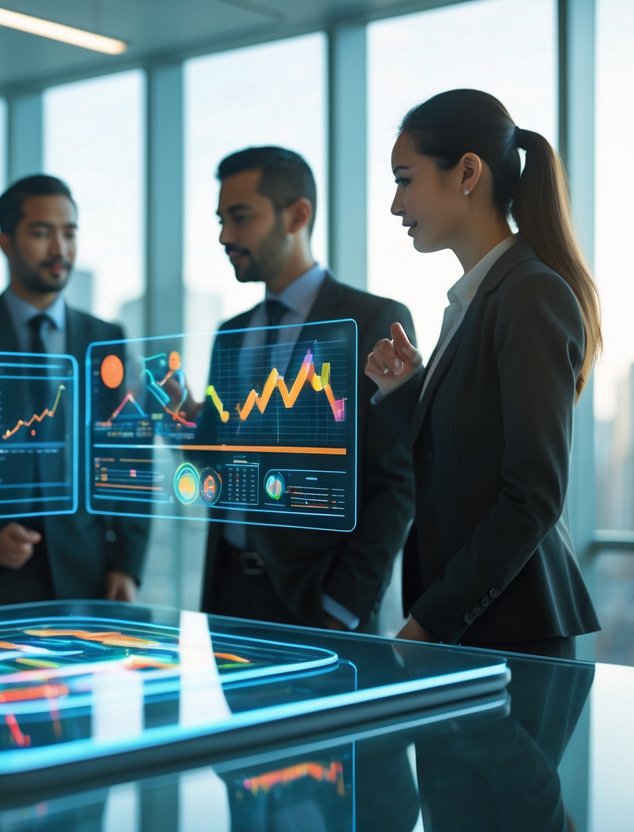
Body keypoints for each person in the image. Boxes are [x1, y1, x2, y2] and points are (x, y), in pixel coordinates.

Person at [365, 89, 601, 658]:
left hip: (513, 633)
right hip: (481, 630)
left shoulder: (530, 293)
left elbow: (533, 498)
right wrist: (408, 394)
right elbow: (464, 465)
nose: (396, 206)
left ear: (467, 172)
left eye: (405, 179)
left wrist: (427, 624)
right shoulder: (476, 299)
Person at [193, 146, 416, 633]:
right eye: (221, 219)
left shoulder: (371, 320)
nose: (225, 236)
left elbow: (395, 482)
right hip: (228, 601)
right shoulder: (230, 333)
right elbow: (216, 462)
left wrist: (344, 606)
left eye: (240, 217)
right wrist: (183, 426)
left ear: (298, 215)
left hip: (320, 606)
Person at [0, 175, 149, 609]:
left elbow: (128, 458)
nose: (59, 249)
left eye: (69, 233)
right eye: (42, 232)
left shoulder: (107, 339)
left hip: (88, 575)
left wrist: (128, 563)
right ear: (5, 241)